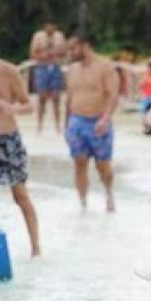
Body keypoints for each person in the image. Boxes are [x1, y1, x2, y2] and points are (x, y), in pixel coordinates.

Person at [65, 33, 119, 212]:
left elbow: (112, 95)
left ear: (85, 45)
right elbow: (69, 98)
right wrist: (67, 125)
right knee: (79, 163)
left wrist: (105, 118)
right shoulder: (72, 70)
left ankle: (109, 194)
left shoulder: (105, 67)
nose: (71, 52)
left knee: (103, 165)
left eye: (73, 48)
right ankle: (83, 203)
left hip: (98, 120)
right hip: (76, 121)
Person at [0, 56, 41, 257]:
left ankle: (36, 248)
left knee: (20, 194)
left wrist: (10, 108)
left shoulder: (8, 71)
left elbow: (29, 106)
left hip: (7, 138)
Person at [29, 21, 66, 133]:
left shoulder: (59, 36)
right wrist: (43, 54)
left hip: (55, 66)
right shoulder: (38, 36)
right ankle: (39, 125)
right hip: (42, 66)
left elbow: (64, 52)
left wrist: (56, 52)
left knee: (56, 97)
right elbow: (33, 53)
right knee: (42, 97)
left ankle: (58, 125)